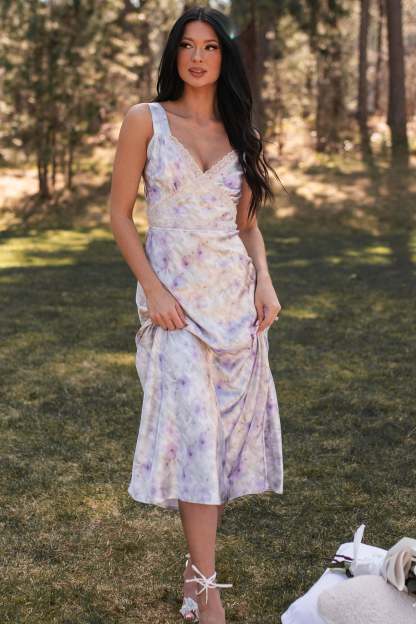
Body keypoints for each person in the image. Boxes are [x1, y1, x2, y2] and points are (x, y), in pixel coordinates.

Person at [109, 6, 284, 624]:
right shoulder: (146, 120)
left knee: (220, 443)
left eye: (210, 46)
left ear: (224, 57)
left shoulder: (242, 133)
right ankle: (208, 594)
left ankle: (194, 570)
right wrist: (153, 290)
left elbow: (247, 227)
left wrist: (265, 282)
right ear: (174, 55)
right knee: (198, 435)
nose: (198, 57)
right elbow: (119, 215)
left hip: (233, 303)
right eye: (187, 45)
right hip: (174, 310)